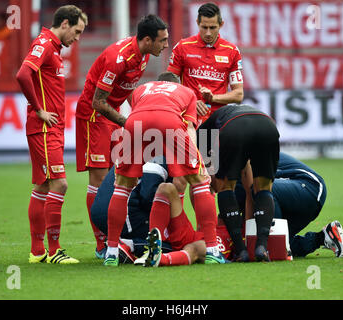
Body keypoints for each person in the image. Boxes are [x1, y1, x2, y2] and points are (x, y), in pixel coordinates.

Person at [103, 72, 227, 266]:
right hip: (169, 120)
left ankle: (110, 252)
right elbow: (189, 128)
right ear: (176, 84)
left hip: (135, 122)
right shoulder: (187, 92)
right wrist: (197, 162)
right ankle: (212, 250)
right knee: (200, 181)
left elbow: (144, 117)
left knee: (121, 187)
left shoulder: (141, 90)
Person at [75, 15, 169, 257]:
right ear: (148, 40)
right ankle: (100, 244)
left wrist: (140, 113)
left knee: (119, 172)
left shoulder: (145, 55)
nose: (166, 45)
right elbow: (97, 102)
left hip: (112, 115)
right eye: (163, 40)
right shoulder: (117, 59)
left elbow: (126, 90)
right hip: (93, 117)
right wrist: (128, 122)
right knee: (97, 179)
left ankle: (120, 232)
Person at [16, 5, 87, 264]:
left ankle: (37, 252)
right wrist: (39, 110)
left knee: (43, 185)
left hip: (49, 127)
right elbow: (23, 74)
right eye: (76, 31)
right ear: (65, 23)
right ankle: (55, 251)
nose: (77, 38)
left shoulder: (53, 48)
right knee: (60, 183)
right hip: (45, 127)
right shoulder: (45, 43)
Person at [197, 103, 280, 262]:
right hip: (267, 125)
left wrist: (210, 174)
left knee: (225, 187)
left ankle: (241, 251)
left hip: (235, 128)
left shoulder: (204, 129)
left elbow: (205, 166)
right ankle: (261, 247)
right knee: (263, 188)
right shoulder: (229, 113)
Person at [234, 152, 343, 258]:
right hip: (289, 197)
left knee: (261, 191)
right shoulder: (235, 170)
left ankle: (277, 248)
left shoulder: (240, 164)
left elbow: (246, 202)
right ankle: (323, 237)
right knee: (280, 242)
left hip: (309, 186)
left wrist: (245, 243)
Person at [167, 2, 244, 124]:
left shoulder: (232, 51)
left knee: (209, 143)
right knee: (193, 143)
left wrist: (213, 98)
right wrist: (190, 101)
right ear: (197, 22)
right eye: (204, 27)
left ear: (221, 24)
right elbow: (168, 85)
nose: (208, 33)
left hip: (217, 120)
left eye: (212, 28)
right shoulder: (182, 47)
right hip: (187, 117)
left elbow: (238, 95)